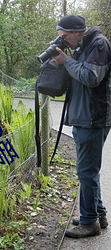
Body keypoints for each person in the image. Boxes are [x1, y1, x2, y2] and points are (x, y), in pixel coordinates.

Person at [53, 15, 111, 238]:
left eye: (65, 37)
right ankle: (98, 214)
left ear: (77, 32)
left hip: (93, 118)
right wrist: (63, 60)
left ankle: (89, 223)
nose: (64, 41)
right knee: (88, 171)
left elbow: (90, 77)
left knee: (86, 171)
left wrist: (66, 61)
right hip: (83, 117)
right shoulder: (82, 46)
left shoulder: (99, 44)